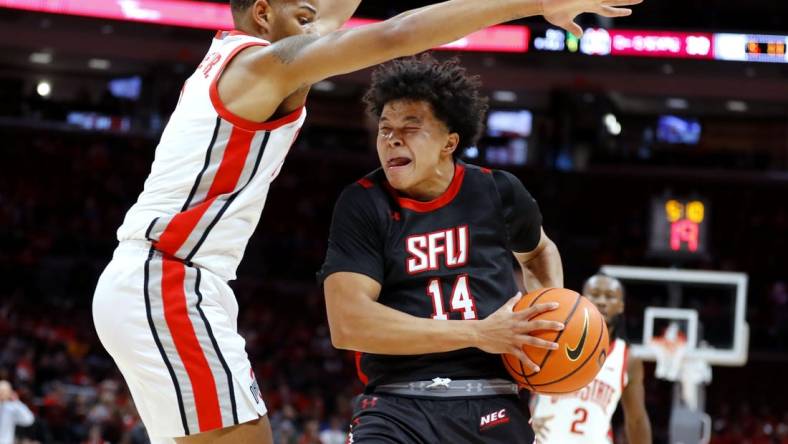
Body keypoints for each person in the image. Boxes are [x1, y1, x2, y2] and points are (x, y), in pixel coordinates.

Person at [93, 0, 642, 442]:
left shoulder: (238, 59)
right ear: (263, 14)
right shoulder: (257, 65)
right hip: (169, 280)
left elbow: (334, 16)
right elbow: (393, 35)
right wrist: (533, 2)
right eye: (305, 21)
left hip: (169, 282)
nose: (321, 33)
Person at [319, 55, 567, 443]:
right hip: (395, 406)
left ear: (449, 142)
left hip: (493, 401)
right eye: (385, 129)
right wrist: (478, 333)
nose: (392, 139)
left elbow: (538, 251)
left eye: (410, 127)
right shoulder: (362, 203)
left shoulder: (497, 191)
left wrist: (552, 314)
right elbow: (349, 324)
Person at [530, 274, 652, 444]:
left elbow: (636, 420)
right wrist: (524, 420)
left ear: (621, 306)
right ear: (582, 299)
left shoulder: (627, 357)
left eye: (610, 296)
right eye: (594, 294)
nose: (602, 301)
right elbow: (517, 383)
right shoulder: (554, 338)